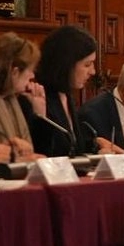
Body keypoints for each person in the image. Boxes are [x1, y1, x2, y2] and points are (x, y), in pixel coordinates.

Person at [30, 24, 98, 156]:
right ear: (66, 64)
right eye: (87, 65)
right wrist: (40, 118)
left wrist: (97, 148)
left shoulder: (66, 95)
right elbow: (43, 152)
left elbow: (73, 148)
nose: (93, 71)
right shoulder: (36, 96)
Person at [0, 33, 46, 164]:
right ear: (14, 72)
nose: (32, 76)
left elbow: (19, 155)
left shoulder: (15, 100)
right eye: (30, 70)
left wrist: (27, 159)